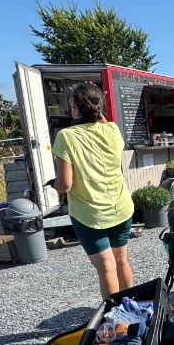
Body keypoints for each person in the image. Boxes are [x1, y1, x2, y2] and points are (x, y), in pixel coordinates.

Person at [52, 81, 135, 300]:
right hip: (121, 207)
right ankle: (132, 309)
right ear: (99, 107)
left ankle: (115, 316)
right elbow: (103, 121)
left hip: (90, 214)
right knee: (121, 261)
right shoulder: (112, 129)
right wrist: (96, 101)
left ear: (74, 106)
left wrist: (53, 184)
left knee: (107, 267)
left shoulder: (66, 136)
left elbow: (65, 184)